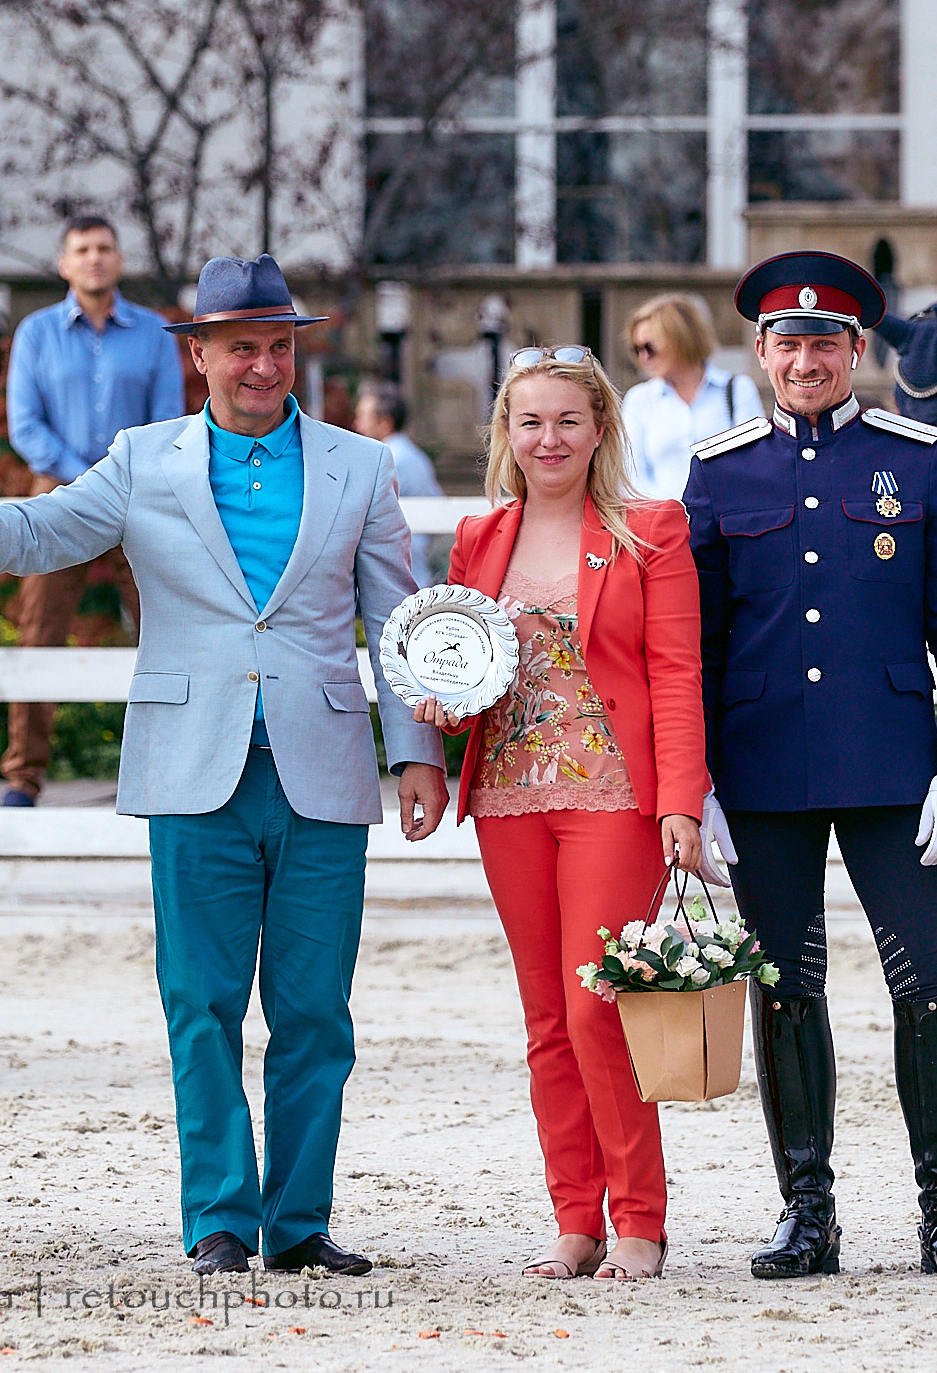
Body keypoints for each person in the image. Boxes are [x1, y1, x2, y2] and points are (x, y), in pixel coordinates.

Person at [0, 254, 442, 1278]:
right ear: (197, 355)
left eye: (279, 346)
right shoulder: (142, 457)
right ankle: (218, 1221)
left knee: (314, 1013)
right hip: (191, 768)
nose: (262, 365)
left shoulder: (359, 467)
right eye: (240, 346)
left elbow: (396, 620)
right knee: (199, 1006)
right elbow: (45, 530)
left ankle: (297, 1223)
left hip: (323, 768)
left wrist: (415, 752)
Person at [683, 250, 937, 1281]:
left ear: (857, 351)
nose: (806, 358)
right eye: (788, 342)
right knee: (785, 985)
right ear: (762, 353)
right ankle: (805, 1210)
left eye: (826, 342)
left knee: (926, 977)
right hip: (763, 770)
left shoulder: (916, 460)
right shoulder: (721, 472)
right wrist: (700, 783)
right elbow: (699, 643)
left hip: (892, 763)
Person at [402, 347, 706, 1283]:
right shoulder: (479, 537)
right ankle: (574, 1220)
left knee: (596, 1007)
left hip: (615, 799)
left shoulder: (652, 530)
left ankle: (639, 1220)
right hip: (506, 798)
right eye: (529, 421)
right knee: (544, 1018)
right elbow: (463, 669)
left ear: (601, 429)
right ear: (506, 433)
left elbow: (675, 675)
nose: (548, 438)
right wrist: (439, 707)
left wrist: (681, 804)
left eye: (568, 420)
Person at [0, 214, 184, 807]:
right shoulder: (36, 333)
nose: (95, 258)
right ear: (64, 264)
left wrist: (119, 484)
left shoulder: (155, 332)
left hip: (142, 503)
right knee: (39, 635)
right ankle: (23, 778)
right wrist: (91, 483)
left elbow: (167, 423)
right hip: (58, 503)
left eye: (105, 247)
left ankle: (178, 767)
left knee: (170, 632)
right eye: (82, 248)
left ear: (120, 259)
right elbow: (25, 427)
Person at [620, 293, 762, 500]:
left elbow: (753, 465)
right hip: (661, 525)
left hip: (725, 525)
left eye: (649, 347)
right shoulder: (639, 400)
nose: (643, 357)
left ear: (679, 338)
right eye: (637, 349)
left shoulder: (737, 389)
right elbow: (632, 477)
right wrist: (671, 514)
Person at [353, 380, 443, 585]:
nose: (357, 425)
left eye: (363, 418)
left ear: (385, 422)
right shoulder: (412, 454)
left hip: (400, 566)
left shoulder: (390, 458)